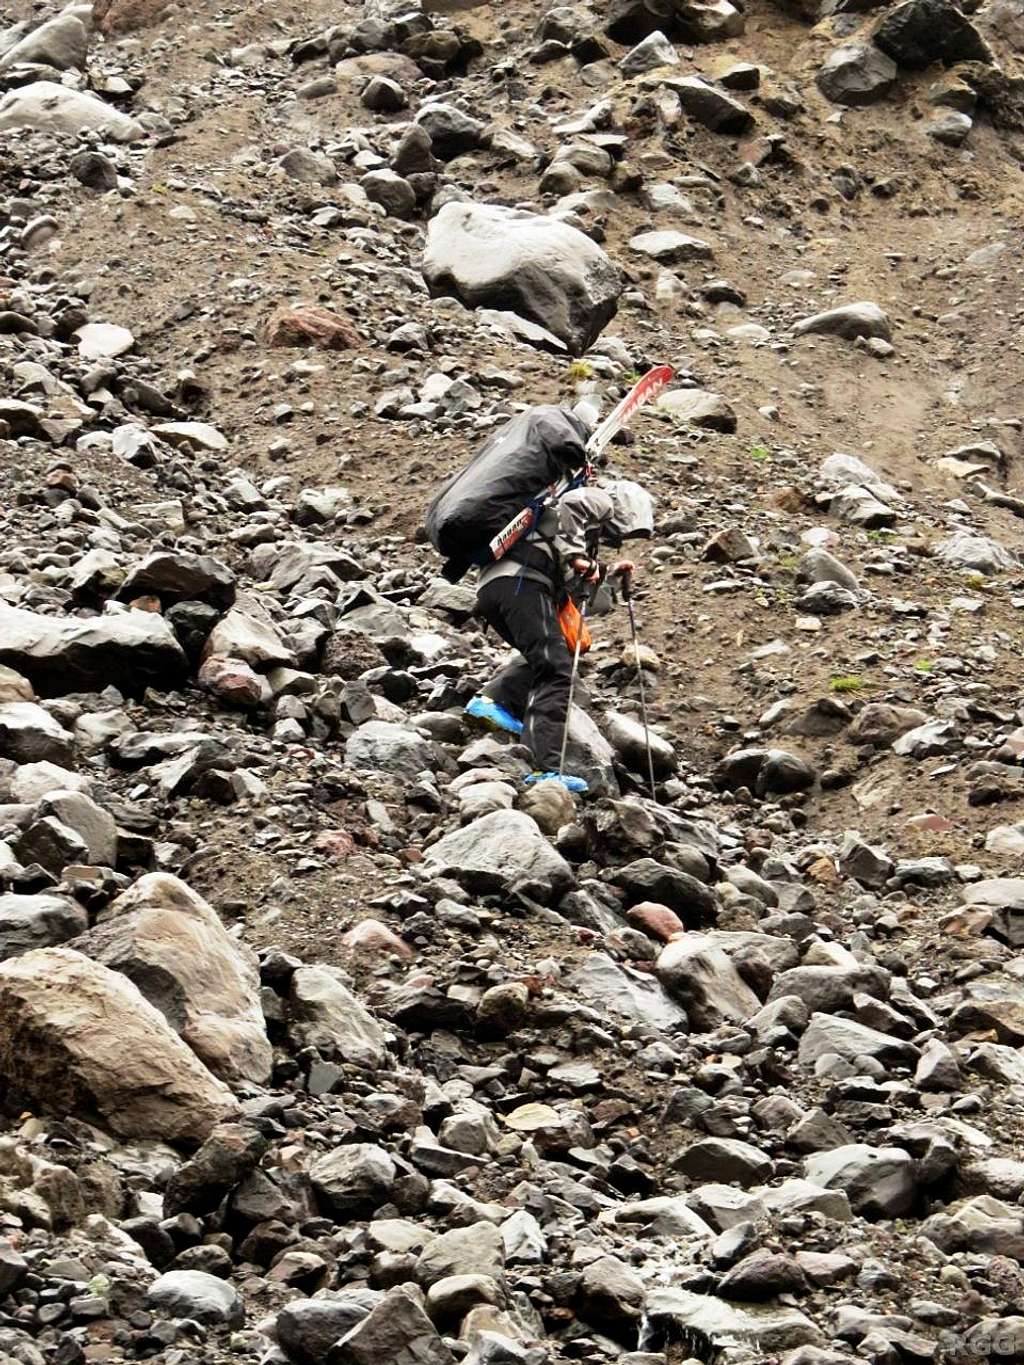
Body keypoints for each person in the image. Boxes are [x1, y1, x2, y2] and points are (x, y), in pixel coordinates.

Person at [465, 471, 655, 793]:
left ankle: (492, 702)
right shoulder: (599, 500)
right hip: (521, 584)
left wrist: (606, 577)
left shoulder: (565, 532)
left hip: (495, 589)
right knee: (556, 671)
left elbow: (580, 598)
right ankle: (544, 769)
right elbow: (574, 503)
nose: (619, 537)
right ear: (628, 509)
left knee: (549, 657)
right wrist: (578, 556)